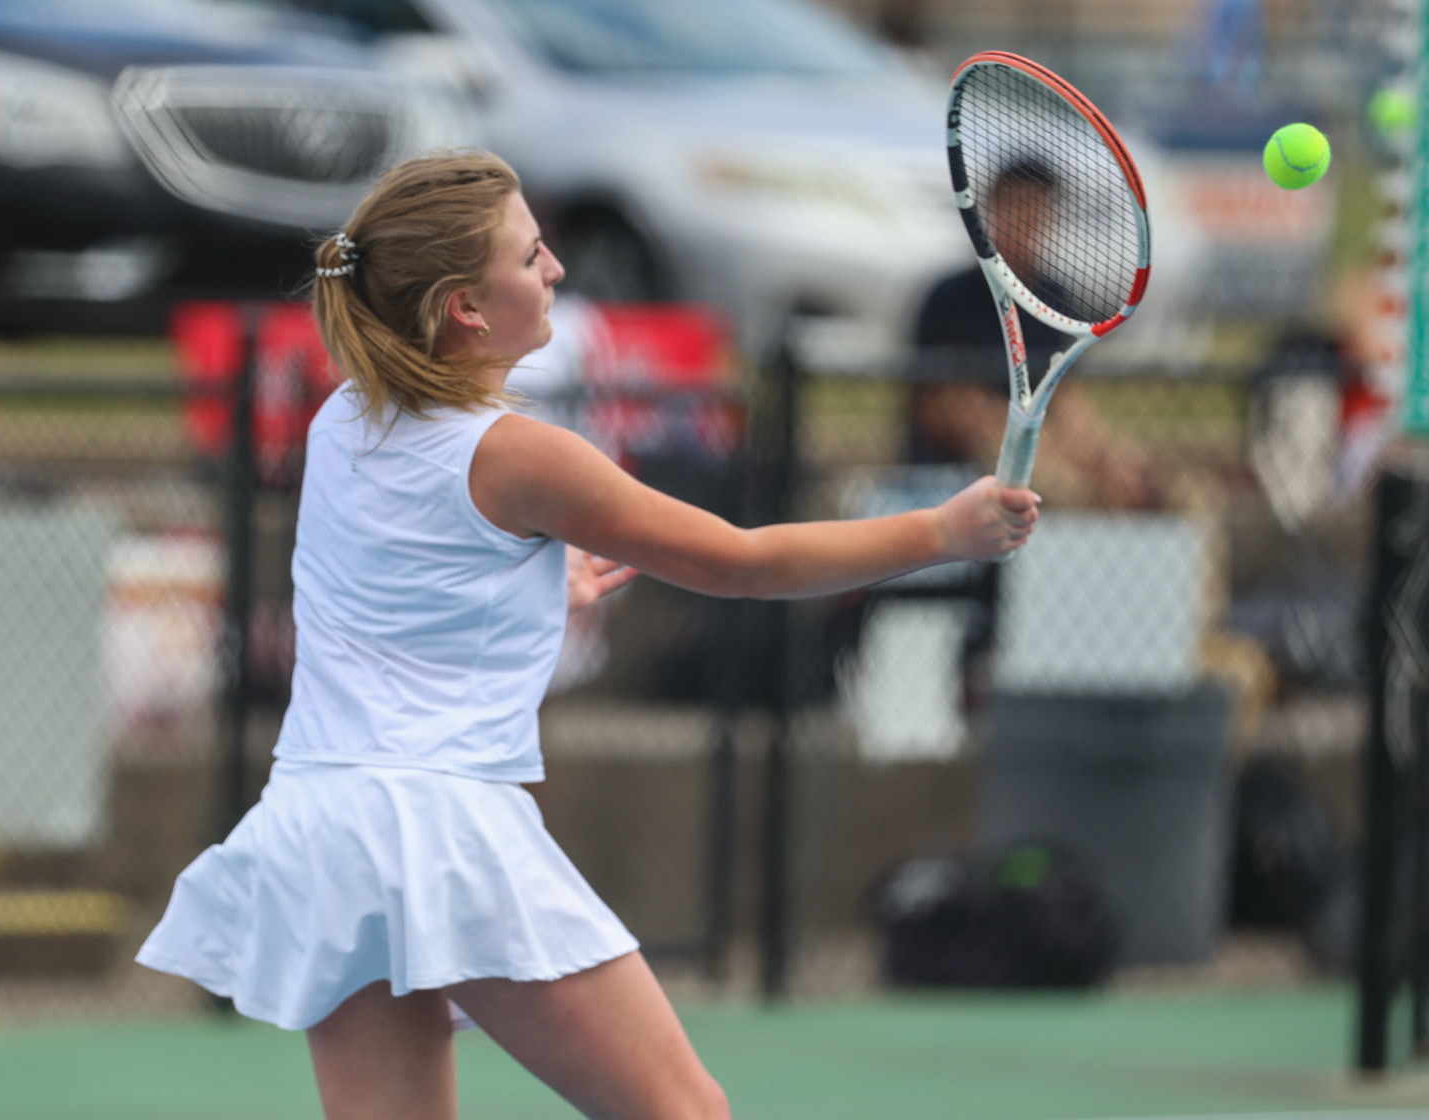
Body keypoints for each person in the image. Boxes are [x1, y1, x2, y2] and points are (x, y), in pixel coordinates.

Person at [138, 149, 1038, 1119]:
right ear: (465, 307)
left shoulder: (342, 421)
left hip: (319, 821)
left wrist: (528, 587)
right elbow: (742, 561)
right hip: (435, 824)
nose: (558, 268)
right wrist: (940, 532)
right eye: (531, 256)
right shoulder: (523, 455)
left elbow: (394, 580)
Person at [908, 157, 1161, 510]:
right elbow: (945, 408)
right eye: (1015, 206)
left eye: (1038, 209)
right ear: (991, 211)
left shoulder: (1056, 299)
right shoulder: (949, 297)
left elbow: (1068, 401)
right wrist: (1039, 447)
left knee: (1143, 476)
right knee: (1058, 487)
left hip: (1041, 443)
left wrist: (1107, 457)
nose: (1025, 221)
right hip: (963, 470)